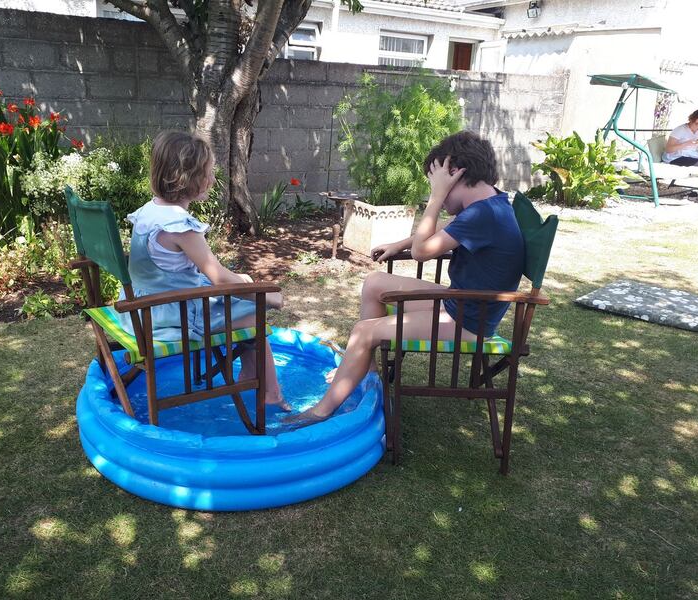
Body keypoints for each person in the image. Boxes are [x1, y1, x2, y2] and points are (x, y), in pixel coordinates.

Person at [285, 131, 524, 425]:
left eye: (437, 185)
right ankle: (366, 369)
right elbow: (444, 234)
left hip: (469, 320)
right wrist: (401, 244)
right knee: (375, 283)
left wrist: (436, 199)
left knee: (363, 331)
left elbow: (423, 252)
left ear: (456, 176)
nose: (434, 193)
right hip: (462, 303)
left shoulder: (482, 215)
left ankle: (320, 411)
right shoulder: (489, 203)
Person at [119, 130, 289, 410]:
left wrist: (242, 282)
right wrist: (267, 296)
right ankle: (271, 393)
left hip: (142, 309)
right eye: (209, 172)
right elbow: (218, 276)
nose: (213, 177)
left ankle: (249, 373)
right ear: (190, 179)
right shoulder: (179, 226)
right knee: (253, 312)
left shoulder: (149, 211)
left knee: (241, 292)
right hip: (172, 316)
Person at [662, 108, 698, 191]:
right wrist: (687, 144)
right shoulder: (680, 130)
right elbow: (669, 149)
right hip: (676, 157)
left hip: (692, 156)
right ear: (691, 120)